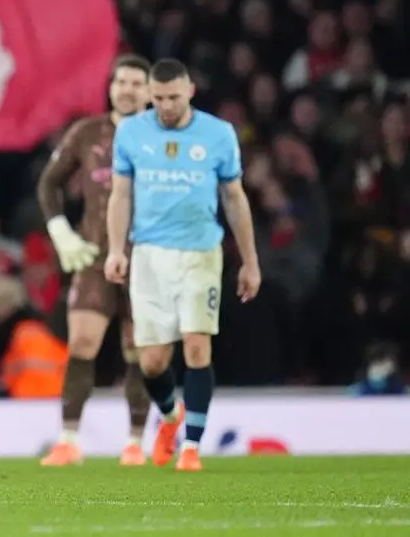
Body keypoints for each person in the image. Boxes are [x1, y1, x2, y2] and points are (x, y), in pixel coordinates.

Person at [105, 58, 261, 472]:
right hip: (149, 255)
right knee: (152, 361)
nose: (165, 106)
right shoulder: (132, 132)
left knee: (196, 346)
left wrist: (250, 261)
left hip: (200, 253)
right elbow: (120, 195)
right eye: (157, 99)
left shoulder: (217, 134)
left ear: (190, 90)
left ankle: (191, 447)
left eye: (173, 97)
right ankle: (171, 418)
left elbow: (234, 197)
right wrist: (115, 249)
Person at [36, 55, 154, 466]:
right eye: (121, 81)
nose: (127, 89)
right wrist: (60, 231)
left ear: (150, 91)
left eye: (136, 83)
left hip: (149, 260)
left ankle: (136, 443)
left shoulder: (165, 137)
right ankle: (68, 440)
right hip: (95, 257)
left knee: (140, 350)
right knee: (82, 343)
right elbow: (49, 184)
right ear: (111, 87)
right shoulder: (88, 133)